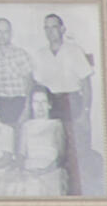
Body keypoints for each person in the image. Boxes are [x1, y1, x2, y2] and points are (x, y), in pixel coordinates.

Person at [32, 13, 92, 195]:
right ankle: (58, 192)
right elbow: (39, 85)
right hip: (52, 104)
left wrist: (85, 112)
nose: (51, 31)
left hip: (72, 102)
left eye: (54, 27)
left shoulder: (74, 50)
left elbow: (86, 85)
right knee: (54, 149)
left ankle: (77, 194)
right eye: (47, 28)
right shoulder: (40, 54)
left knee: (75, 150)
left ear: (62, 29)